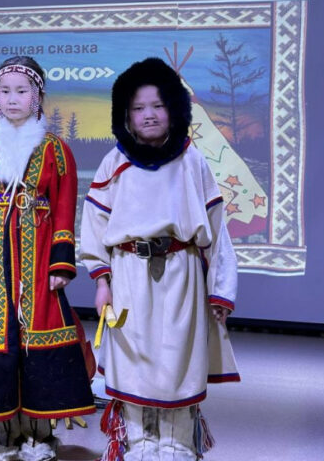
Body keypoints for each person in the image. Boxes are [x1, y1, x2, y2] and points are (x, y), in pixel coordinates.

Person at [79, 57, 240, 461]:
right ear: (125, 115)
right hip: (128, 273)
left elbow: (217, 231)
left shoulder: (191, 160)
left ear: (175, 109)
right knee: (132, 355)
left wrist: (220, 290)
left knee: (177, 356)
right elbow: (95, 225)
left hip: (181, 274)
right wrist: (102, 282)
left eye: (158, 105)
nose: (148, 115)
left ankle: (176, 441)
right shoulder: (115, 162)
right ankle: (138, 440)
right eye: (138, 108)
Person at [0, 57, 96, 461]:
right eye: (5, 91)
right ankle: (1, 434)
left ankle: (39, 434)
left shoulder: (55, 148)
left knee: (36, 338)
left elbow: (65, 206)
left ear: (37, 96)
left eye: (22, 91)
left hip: (38, 258)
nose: (12, 98)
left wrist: (60, 264)